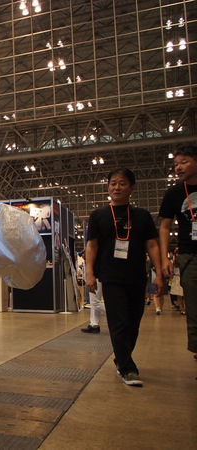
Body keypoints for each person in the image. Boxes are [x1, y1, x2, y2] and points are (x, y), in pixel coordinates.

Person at [85, 168, 164, 387]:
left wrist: (158, 274)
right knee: (118, 322)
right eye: (113, 183)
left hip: (137, 276)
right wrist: (90, 273)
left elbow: (152, 245)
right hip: (111, 277)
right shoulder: (98, 215)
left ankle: (121, 358)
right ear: (108, 187)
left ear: (131, 188)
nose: (116, 187)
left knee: (133, 324)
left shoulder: (142, 216)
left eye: (122, 183)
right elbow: (92, 246)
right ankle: (128, 368)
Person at [159, 144, 197, 361]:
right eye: (176, 164)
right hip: (189, 256)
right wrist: (165, 257)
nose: (179, 168)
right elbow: (164, 227)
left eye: (184, 162)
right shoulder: (174, 193)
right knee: (194, 306)